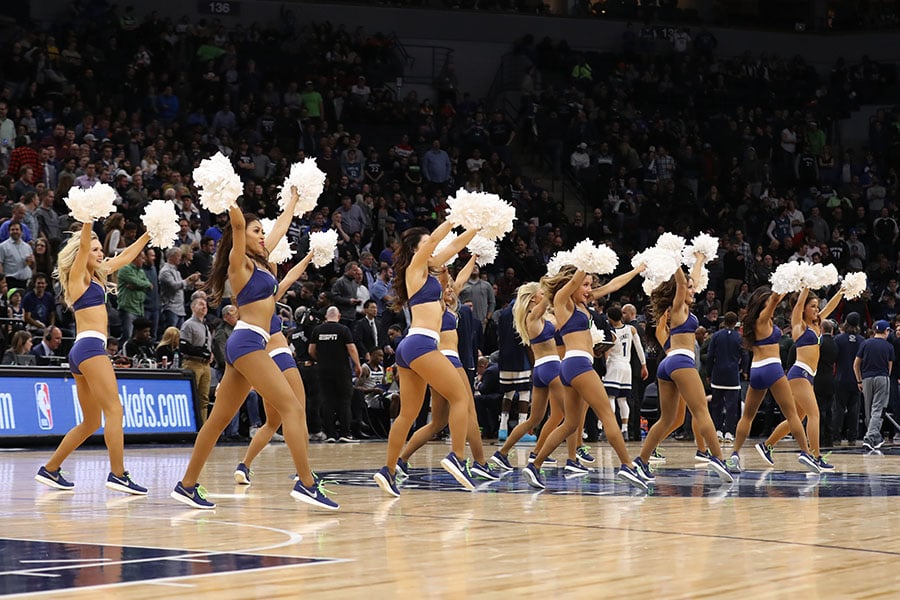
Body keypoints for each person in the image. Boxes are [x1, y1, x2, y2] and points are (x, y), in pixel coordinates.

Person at [172, 200, 337, 510]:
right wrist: (230, 198)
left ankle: (187, 485)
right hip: (248, 342)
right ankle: (306, 484)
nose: (263, 235)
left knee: (217, 421)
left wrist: (293, 201)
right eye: (256, 230)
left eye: (263, 230)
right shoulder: (239, 263)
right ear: (242, 235)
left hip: (249, 344)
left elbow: (281, 227)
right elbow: (236, 225)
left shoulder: (261, 260)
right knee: (291, 408)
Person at [35, 220, 151, 494]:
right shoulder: (78, 276)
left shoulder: (97, 276)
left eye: (101, 249)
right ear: (82, 253)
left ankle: (50, 469)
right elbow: (85, 242)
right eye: (95, 249)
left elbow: (123, 256)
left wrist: (147, 235)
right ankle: (118, 474)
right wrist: (88, 219)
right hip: (90, 349)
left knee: (91, 422)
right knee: (115, 411)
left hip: (82, 351)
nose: (100, 253)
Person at [373, 220, 481, 496]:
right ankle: (457, 456)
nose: (433, 250)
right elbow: (435, 241)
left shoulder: (429, 272)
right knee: (460, 398)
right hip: (421, 344)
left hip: (413, 346)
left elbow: (454, 245)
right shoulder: (415, 269)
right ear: (416, 250)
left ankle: (388, 470)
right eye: (426, 247)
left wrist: (477, 226)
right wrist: (454, 218)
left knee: (407, 415)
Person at [523, 264, 647, 491]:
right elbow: (572, 282)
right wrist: (585, 261)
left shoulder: (580, 302)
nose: (590, 290)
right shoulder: (562, 300)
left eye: (591, 285)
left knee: (570, 423)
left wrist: (637, 270)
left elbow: (613, 285)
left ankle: (535, 464)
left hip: (572, 366)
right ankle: (627, 466)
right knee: (608, 414)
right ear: (572, 283)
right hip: (578, 364)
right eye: (586, 285)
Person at [633, 256, 733, 484]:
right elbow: (682, 283)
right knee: (701, 412)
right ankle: (718, 458)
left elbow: (692, 281)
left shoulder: (685, 307)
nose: (693, 290)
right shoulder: (676, 307)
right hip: (680, 361)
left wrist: (699, 259)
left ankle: (641, 461)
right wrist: (675, 260)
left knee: (668, 420)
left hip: (668, 365)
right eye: (689, 288)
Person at [396, 258, 498, 481]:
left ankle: (401, 460)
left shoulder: (450, 303)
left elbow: (460, 279)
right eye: (446, 285)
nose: (451, 289)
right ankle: (479, 463)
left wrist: (474, 257)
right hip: (447, 361)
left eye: (452, 287)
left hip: (443, 362)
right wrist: (441, 272)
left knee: (438, 422)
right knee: (470, 412)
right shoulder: (435, 303)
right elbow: (445, 282)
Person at [490, 281, 582, 474]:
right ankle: (572, 460)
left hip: (540, 370)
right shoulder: (533, 315)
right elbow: (552, 298)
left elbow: (558, 316)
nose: (544, 295)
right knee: (572, 417)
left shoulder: (537, 317)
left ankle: (502, 453)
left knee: (534, 419)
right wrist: (557, 283)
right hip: (552, 366)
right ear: (533, 298)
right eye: (541, 293)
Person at [727, 287, 820, 474]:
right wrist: (785, 284)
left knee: (748, 416)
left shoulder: (755, 322)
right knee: (792, 415)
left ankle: (734, 455)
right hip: (773, 367)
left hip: (756, 369)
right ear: (764, 302)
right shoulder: (763, 316)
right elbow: (776, 299)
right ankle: (805, 452)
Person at [759, 286, 844, 469]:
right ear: (804, 308)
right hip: (799, 374)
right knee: (814, 415)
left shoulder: (816, 323)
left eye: (816, 306)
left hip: (809, 377)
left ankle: (766, 446)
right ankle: (815, 455)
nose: (816, 309)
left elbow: (830, 307)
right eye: (812, 306)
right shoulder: (800, 324)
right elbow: (798, 305)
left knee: (796, 418)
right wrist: (806, 285)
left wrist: (842, 291)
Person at [310, 306, 362, 443]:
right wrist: (357, 365)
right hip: (341, 370)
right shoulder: (343, 329)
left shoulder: (318, 330)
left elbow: (311, 350)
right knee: (344, 401)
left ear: (326, 317)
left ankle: (330, 434)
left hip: (323, 370)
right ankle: (345, 433)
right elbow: (351, 348)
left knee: (327, 402)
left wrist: (322, 360)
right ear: (338, 316)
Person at [603, 304, 648, 441]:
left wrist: (605, 368)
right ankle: (624, 430)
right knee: (623, 400)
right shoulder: (631, 329)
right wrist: (644, 365)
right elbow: (639, 348)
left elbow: (607, 352)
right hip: (627, 367)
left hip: (614, 365)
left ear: (610, 318)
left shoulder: (611, 333)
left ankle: (609, 429)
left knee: (611, 398)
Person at [854, 320, 895, 451]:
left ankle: (875, 438)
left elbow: (856, 364)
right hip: (882, 377)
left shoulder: (865, 343)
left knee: (868, 411)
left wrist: (859, 380)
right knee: (878, 409)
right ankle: (870, 437)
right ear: (886, 331)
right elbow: (889, 368)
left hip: (866, 379)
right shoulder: (889, 346)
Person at [705, 311, 743, 442]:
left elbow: (710, 356)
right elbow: (745, 354)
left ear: (724, 321)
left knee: (717, 405)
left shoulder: (716, 336)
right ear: (735, 323)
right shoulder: (739, 337)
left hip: (718, 374)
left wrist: (709, 373)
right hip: (732, 374)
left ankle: (717, 431)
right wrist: (743, 369)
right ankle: (729, 432)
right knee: (732, 406)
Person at [180, 296, 213, 425]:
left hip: (205, 365)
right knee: (191, 395)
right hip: (193, 362)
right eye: (200, 304)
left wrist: (210, 354)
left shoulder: (205, 326)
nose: (204, 306)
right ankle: (189, 425)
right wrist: (203, 352)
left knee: (204, 398)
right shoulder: (188, 324)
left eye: (205, 305)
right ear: (193, 307)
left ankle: (202, 426)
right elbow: (184, 346)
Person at [833, 313, 863, 444]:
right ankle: (852, 437)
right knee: (854, 410)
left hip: (840, 377)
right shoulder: (862, 340)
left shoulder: (838, 339)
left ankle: (836, 437)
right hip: (856, 379)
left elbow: (834, 358)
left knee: (838, 409)